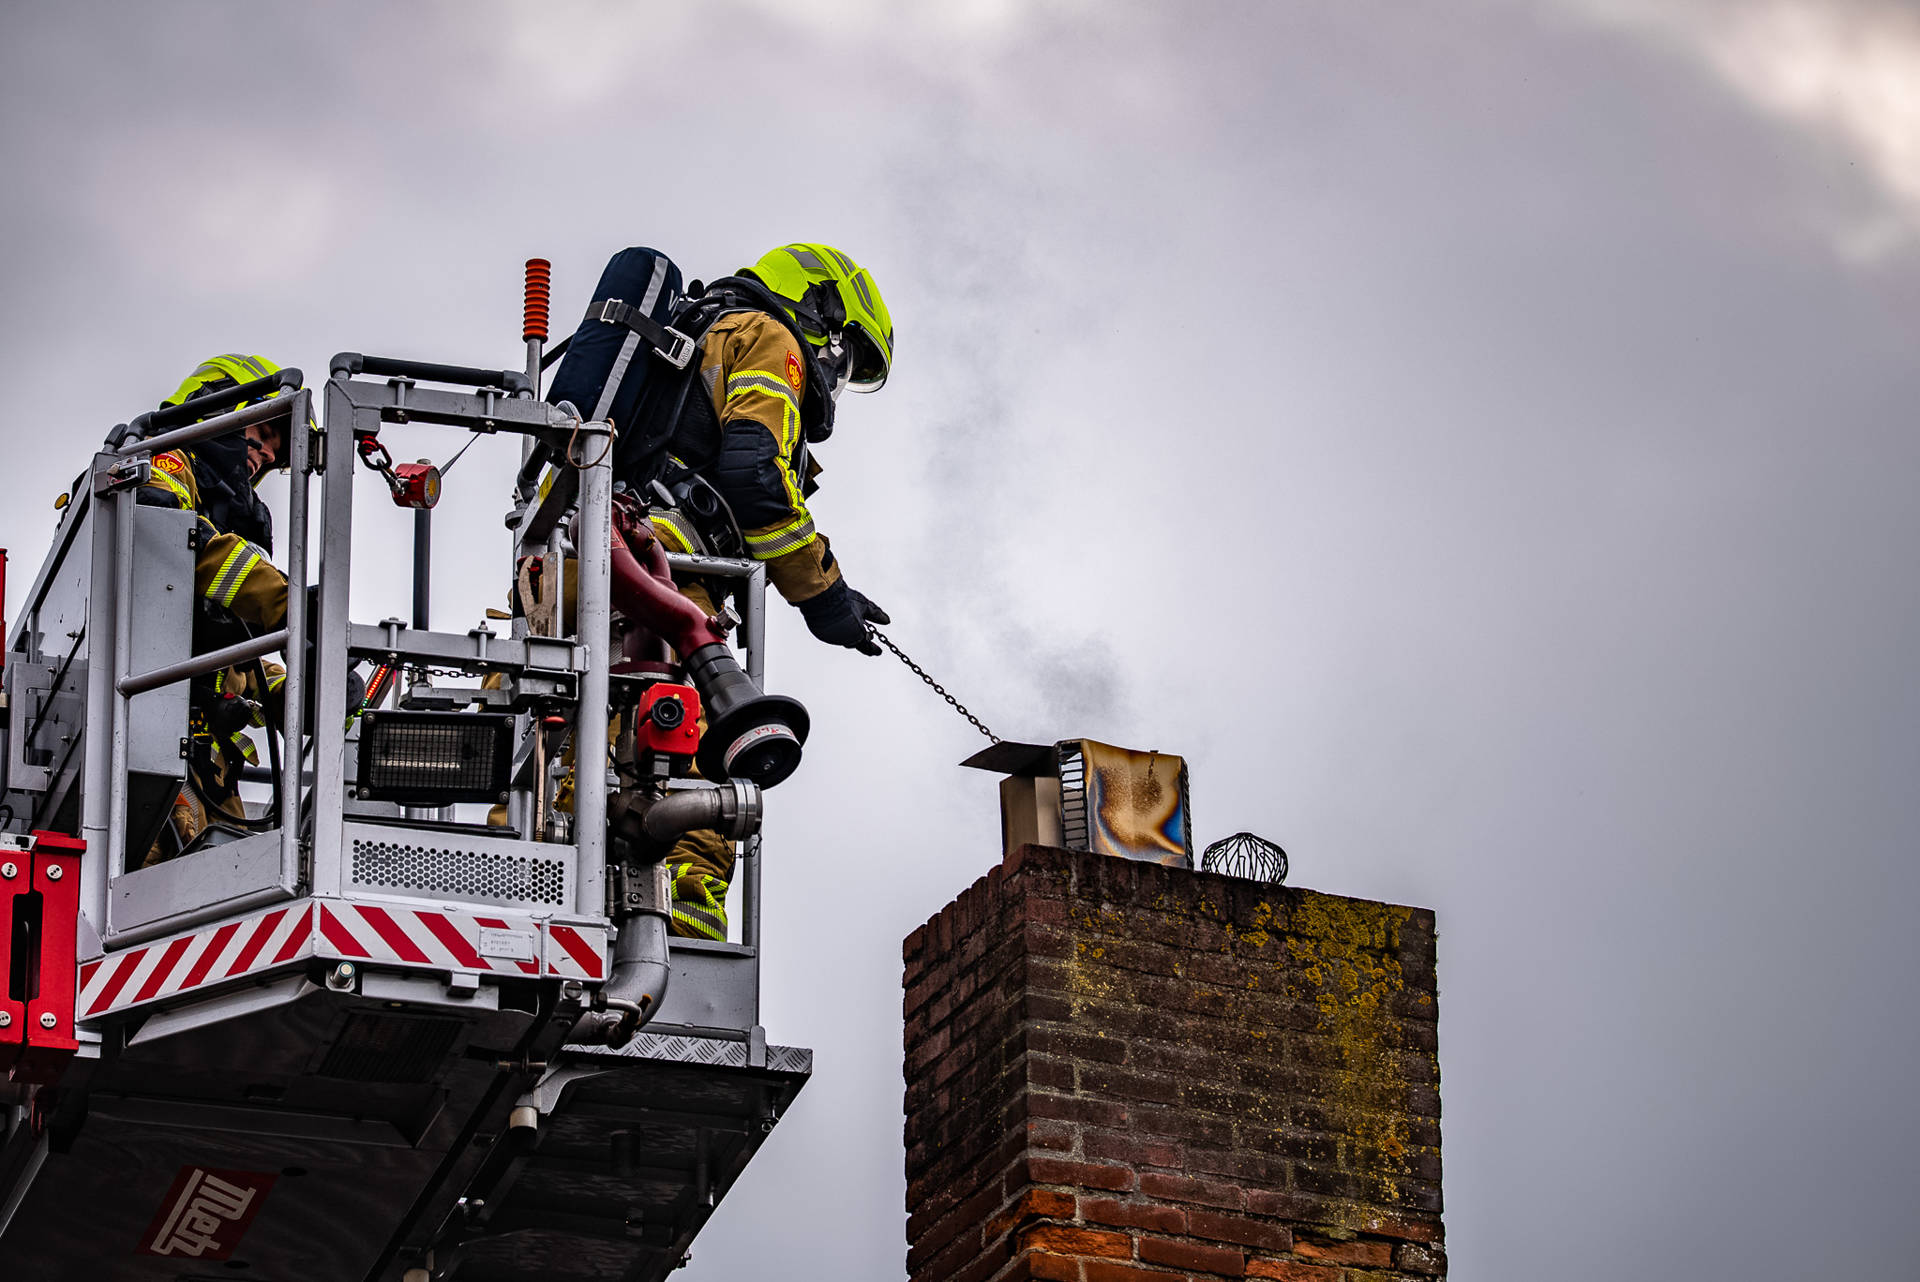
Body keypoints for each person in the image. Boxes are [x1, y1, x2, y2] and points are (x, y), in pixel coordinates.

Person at [629, 244, 897, 939]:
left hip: (597, 571)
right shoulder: (764, 335)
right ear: (827, 321)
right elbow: (755, 480)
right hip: (668, 577)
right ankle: (681, 916)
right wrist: (825, 595)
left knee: (606, 748)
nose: (836, 380)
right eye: (847, 359)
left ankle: (601, 897)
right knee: (700, 747)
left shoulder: (701, 335)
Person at [136, 353, 295, 864]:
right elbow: (185, 546)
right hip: (145, 751)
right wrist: (287, 605)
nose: (268, 455)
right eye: (266, 433)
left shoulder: (225, 512)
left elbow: (238, 658)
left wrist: (301, 692)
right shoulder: (159, 465)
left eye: (277, 449)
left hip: (207, 772)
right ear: (217, 409)